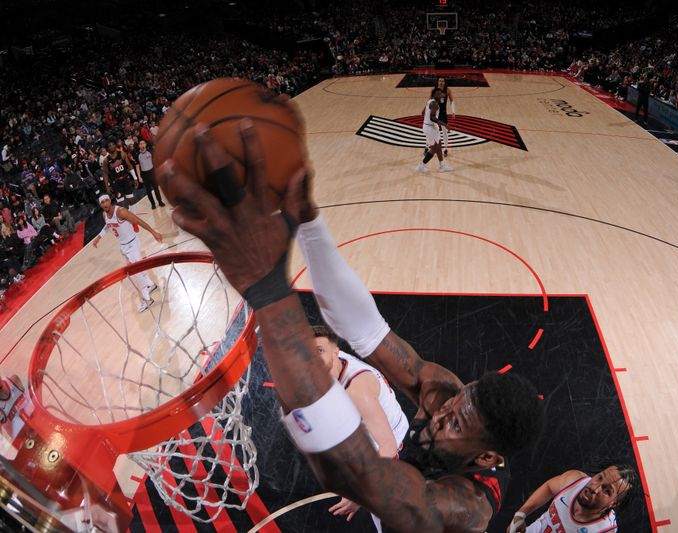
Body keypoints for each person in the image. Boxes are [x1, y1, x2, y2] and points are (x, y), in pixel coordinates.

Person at [162, 119, 543, 533]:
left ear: (486, 458)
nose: (439, 415)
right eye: (452, 406)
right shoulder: (446, 395)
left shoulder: (462, 506)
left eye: (453, 423)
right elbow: (367, 331)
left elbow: (354, 476)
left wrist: (267, 290)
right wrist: (308, 221)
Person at [312, 325, 409, 523]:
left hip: (392, 448)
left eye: (319, 351)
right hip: (375, 427)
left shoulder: (356, 391)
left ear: (335, 351)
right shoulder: (331, 361)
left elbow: (388, 447)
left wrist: (360, 496)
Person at [506, 465, 637, 533]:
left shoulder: (604, 530)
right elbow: (549, 488)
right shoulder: (574, 480)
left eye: (607, 491)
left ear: (614, 503)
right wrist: (521, 514)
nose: (595, 488)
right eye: (599, 478)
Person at [92, 194, 162, 312]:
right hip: (124, 246)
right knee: (137, 270)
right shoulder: (104, 214)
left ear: (110, 201)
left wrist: (154, 232)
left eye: (106, 201)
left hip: (132, 244)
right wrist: (99, 236)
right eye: (102, 202)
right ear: (100, 205)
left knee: (136, 273)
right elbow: (108, 226)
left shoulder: (121, 212)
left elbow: (138, 221)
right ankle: (150, 284)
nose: (105, 204)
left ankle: (146, 299)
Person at [417, 89, 454, 174]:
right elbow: (432, 118)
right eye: (440, 93)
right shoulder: (434, 104)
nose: (441, 95)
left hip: (430, 127)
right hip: (430, 128)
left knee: (439, 145)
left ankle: (442, 166)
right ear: (436, 94)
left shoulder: (430, 101)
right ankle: (421, 165)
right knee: (434, 148)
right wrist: (445, 125)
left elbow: (423, 113)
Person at [102, 141, 136, 208]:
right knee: (121, 204)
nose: (111, 146)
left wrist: (135, 178)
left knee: (131, 201)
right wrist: (107, 187)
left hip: (125, 179)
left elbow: (129, 165)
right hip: (116, 183)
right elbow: (105, 174)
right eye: (109, 145)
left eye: (113, 144)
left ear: (115, 146)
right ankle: (126, 217)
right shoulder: (106, 160)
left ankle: (133, 215)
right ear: (108, 148)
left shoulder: (122, 154)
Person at [135, 140, 166, 210]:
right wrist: (139, 177)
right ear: (139, 146)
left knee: (156, 188)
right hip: (144, 174)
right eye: (140, 143)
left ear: (145, 144)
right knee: (148, 191)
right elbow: (137, 167)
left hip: (152, 172)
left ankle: (160, 201)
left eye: (143, 143)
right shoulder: (137, 155)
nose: (142, 144)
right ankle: (153, 204)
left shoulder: (150, 151)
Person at [431, 78, 455, 157]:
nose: (441, 82)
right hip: (435, 112)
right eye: (440, 81)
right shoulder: (434, 89)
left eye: (442, 81)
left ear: (444, 82)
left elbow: (452, 101)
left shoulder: (448, 90)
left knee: (444, 131)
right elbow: (430, 101)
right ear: (437, 82)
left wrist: (453, 111)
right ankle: (427, 146)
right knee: (432, 130)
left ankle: (445, 148)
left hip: (443, 113)